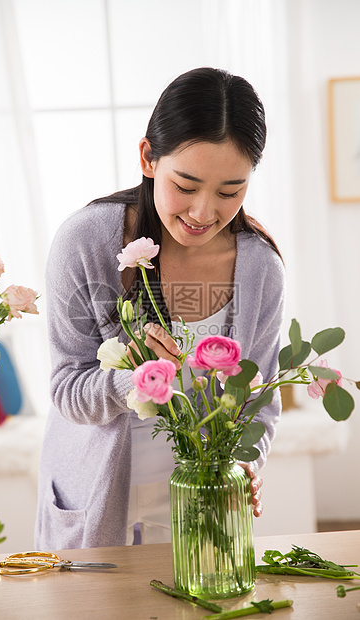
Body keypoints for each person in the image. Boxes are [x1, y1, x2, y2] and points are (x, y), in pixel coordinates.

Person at [35, 67, 285, 550]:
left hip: (203, 512)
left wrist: (245, 463)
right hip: (96, 509)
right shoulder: (85, 242)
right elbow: (67, 389)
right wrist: (139, 377)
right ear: (149, 157)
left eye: (230, 192)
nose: (203, 212)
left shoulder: (260, 270)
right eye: (186, 186)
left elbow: (259, 397)